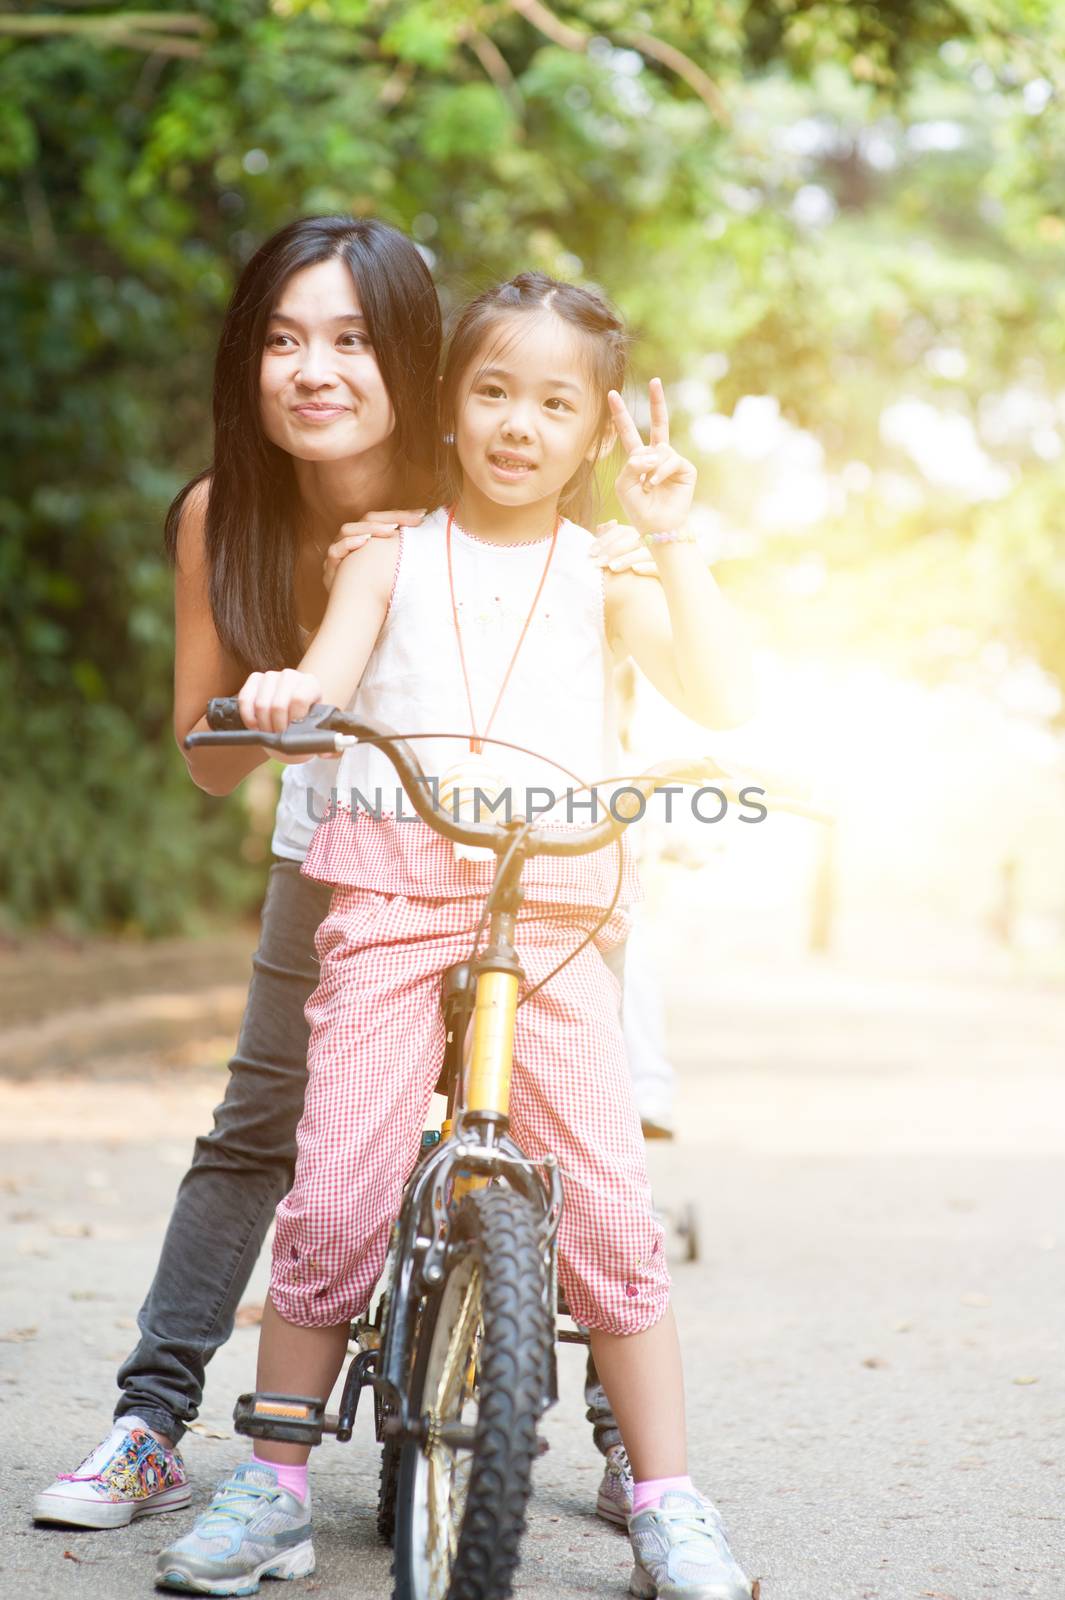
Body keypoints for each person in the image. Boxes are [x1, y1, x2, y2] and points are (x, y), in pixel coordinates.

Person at [32, 220, 647, 1533]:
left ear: (412, 360)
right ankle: (152, 1421)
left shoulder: (478, 457)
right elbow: (206, 760)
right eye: (281, 338)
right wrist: (274, 697)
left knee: (573, 1136)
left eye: (353, 340)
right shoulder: (222, 513)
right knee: (266, 1125)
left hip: (528, 850)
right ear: (245, 359)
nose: (314, 368)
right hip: (343, 835)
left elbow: (584, 615)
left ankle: (621, 1440)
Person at [155, 271, 755, 1599]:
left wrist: (670, 537)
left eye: (555, 403)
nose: (518, 425)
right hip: (389, 891)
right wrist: (284, 693)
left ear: (597, 430)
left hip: (549, 905)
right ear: (451, 405)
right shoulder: (386, 548)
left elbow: (715, 692)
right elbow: (330, 661)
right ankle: (272, 1485)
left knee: (604, 1205)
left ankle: (665, 1498)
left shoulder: (603, 572)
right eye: (491, 392)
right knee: (341, 1183)